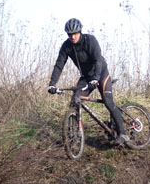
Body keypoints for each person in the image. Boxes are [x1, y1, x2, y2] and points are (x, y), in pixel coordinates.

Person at [48, 18, 129, 146]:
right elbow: (59, 65)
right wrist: (52, 84)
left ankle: (123, 133)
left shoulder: (90, 40)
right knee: (75, 101)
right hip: (86, 76)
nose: (72, 37)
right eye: (70, 34)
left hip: (101, 73)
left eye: (75, 34)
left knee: (107, 101)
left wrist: (96, 78)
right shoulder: (66, 46)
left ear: (80, 32)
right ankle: (71, 136)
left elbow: (98, 60)